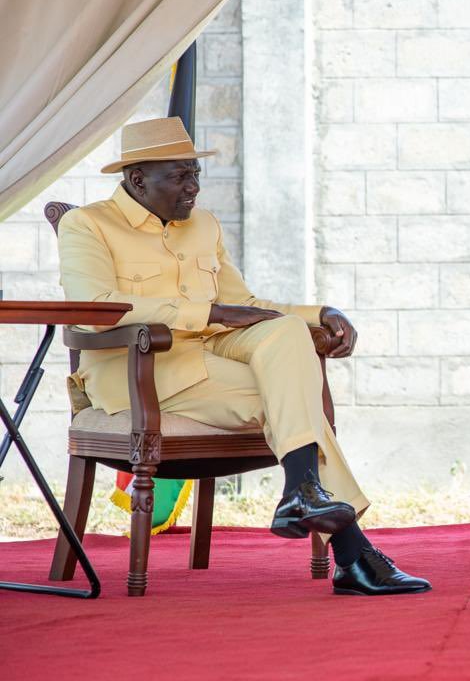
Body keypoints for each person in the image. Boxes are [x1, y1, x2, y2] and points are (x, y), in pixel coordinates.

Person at [58, 117, 429, 596]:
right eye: (180, 176)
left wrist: (321, 312)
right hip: (141, 372)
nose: (193, 187)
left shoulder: (203, 225)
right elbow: (94, 309)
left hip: (211, 356)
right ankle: (349, 548)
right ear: (137, 179)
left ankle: (304, 496)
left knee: (287, 331)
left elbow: (244, 304)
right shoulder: (87, 224)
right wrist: (207, 312)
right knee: (292, 404)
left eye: (195, 173)